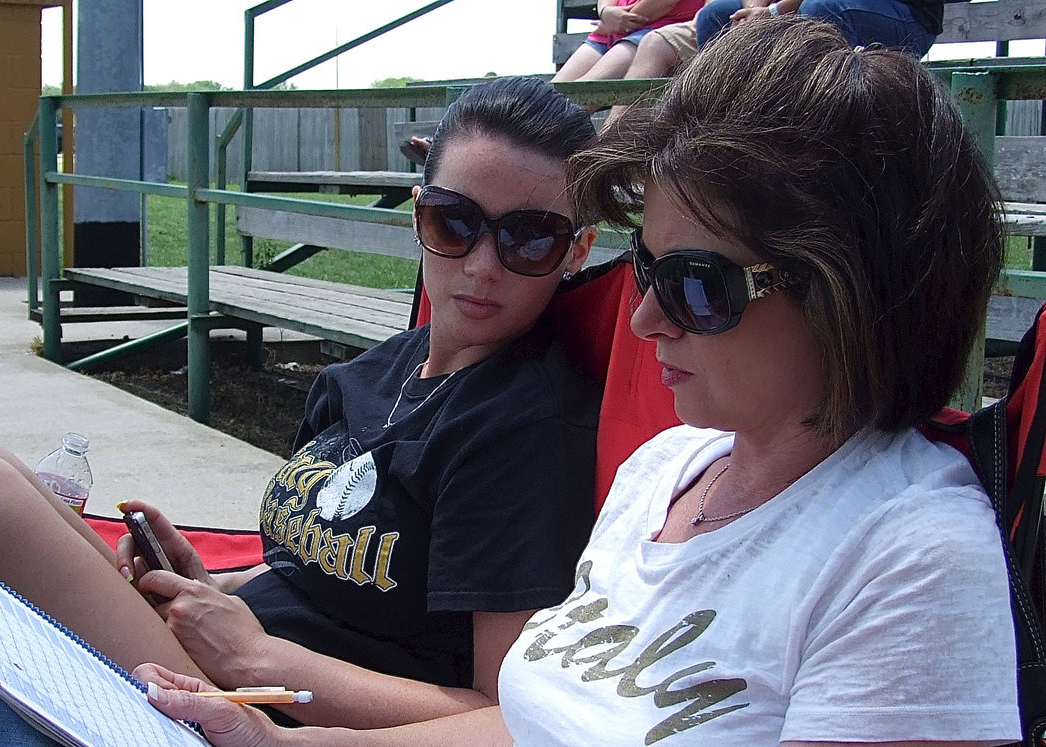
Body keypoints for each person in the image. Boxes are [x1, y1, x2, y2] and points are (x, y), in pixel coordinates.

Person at [136, 17, 1023, 744]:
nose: (643, 321)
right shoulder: (665, 470)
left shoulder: (908, 559)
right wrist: (287, 740)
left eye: (699, 286)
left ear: (851, 295)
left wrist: (269, 671)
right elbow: (522, 725)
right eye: (647, 268)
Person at [0, 76, 602, 739]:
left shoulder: (523, 426)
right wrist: (206, 584)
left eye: (529, 238)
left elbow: (503, 713)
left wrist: (258, 655)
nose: (480, 265)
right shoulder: (368, 376)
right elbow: (309, 576)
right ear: (417, 214)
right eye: (455, 221)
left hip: (251, 715)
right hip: (211, 654)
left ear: (575, 250)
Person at [695, 0, 940, 56]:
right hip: (802, 7)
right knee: (715, 18)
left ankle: (818, 123)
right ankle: (728, 124)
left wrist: (771, 13)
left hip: (906, 16)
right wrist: (749, 15)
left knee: (820, 10)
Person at [553, 0, 704, 85]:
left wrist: (620, 21)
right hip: (609, 32)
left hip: (653, 29)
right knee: (553, 91)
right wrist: (605, 11)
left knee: (583, 89)